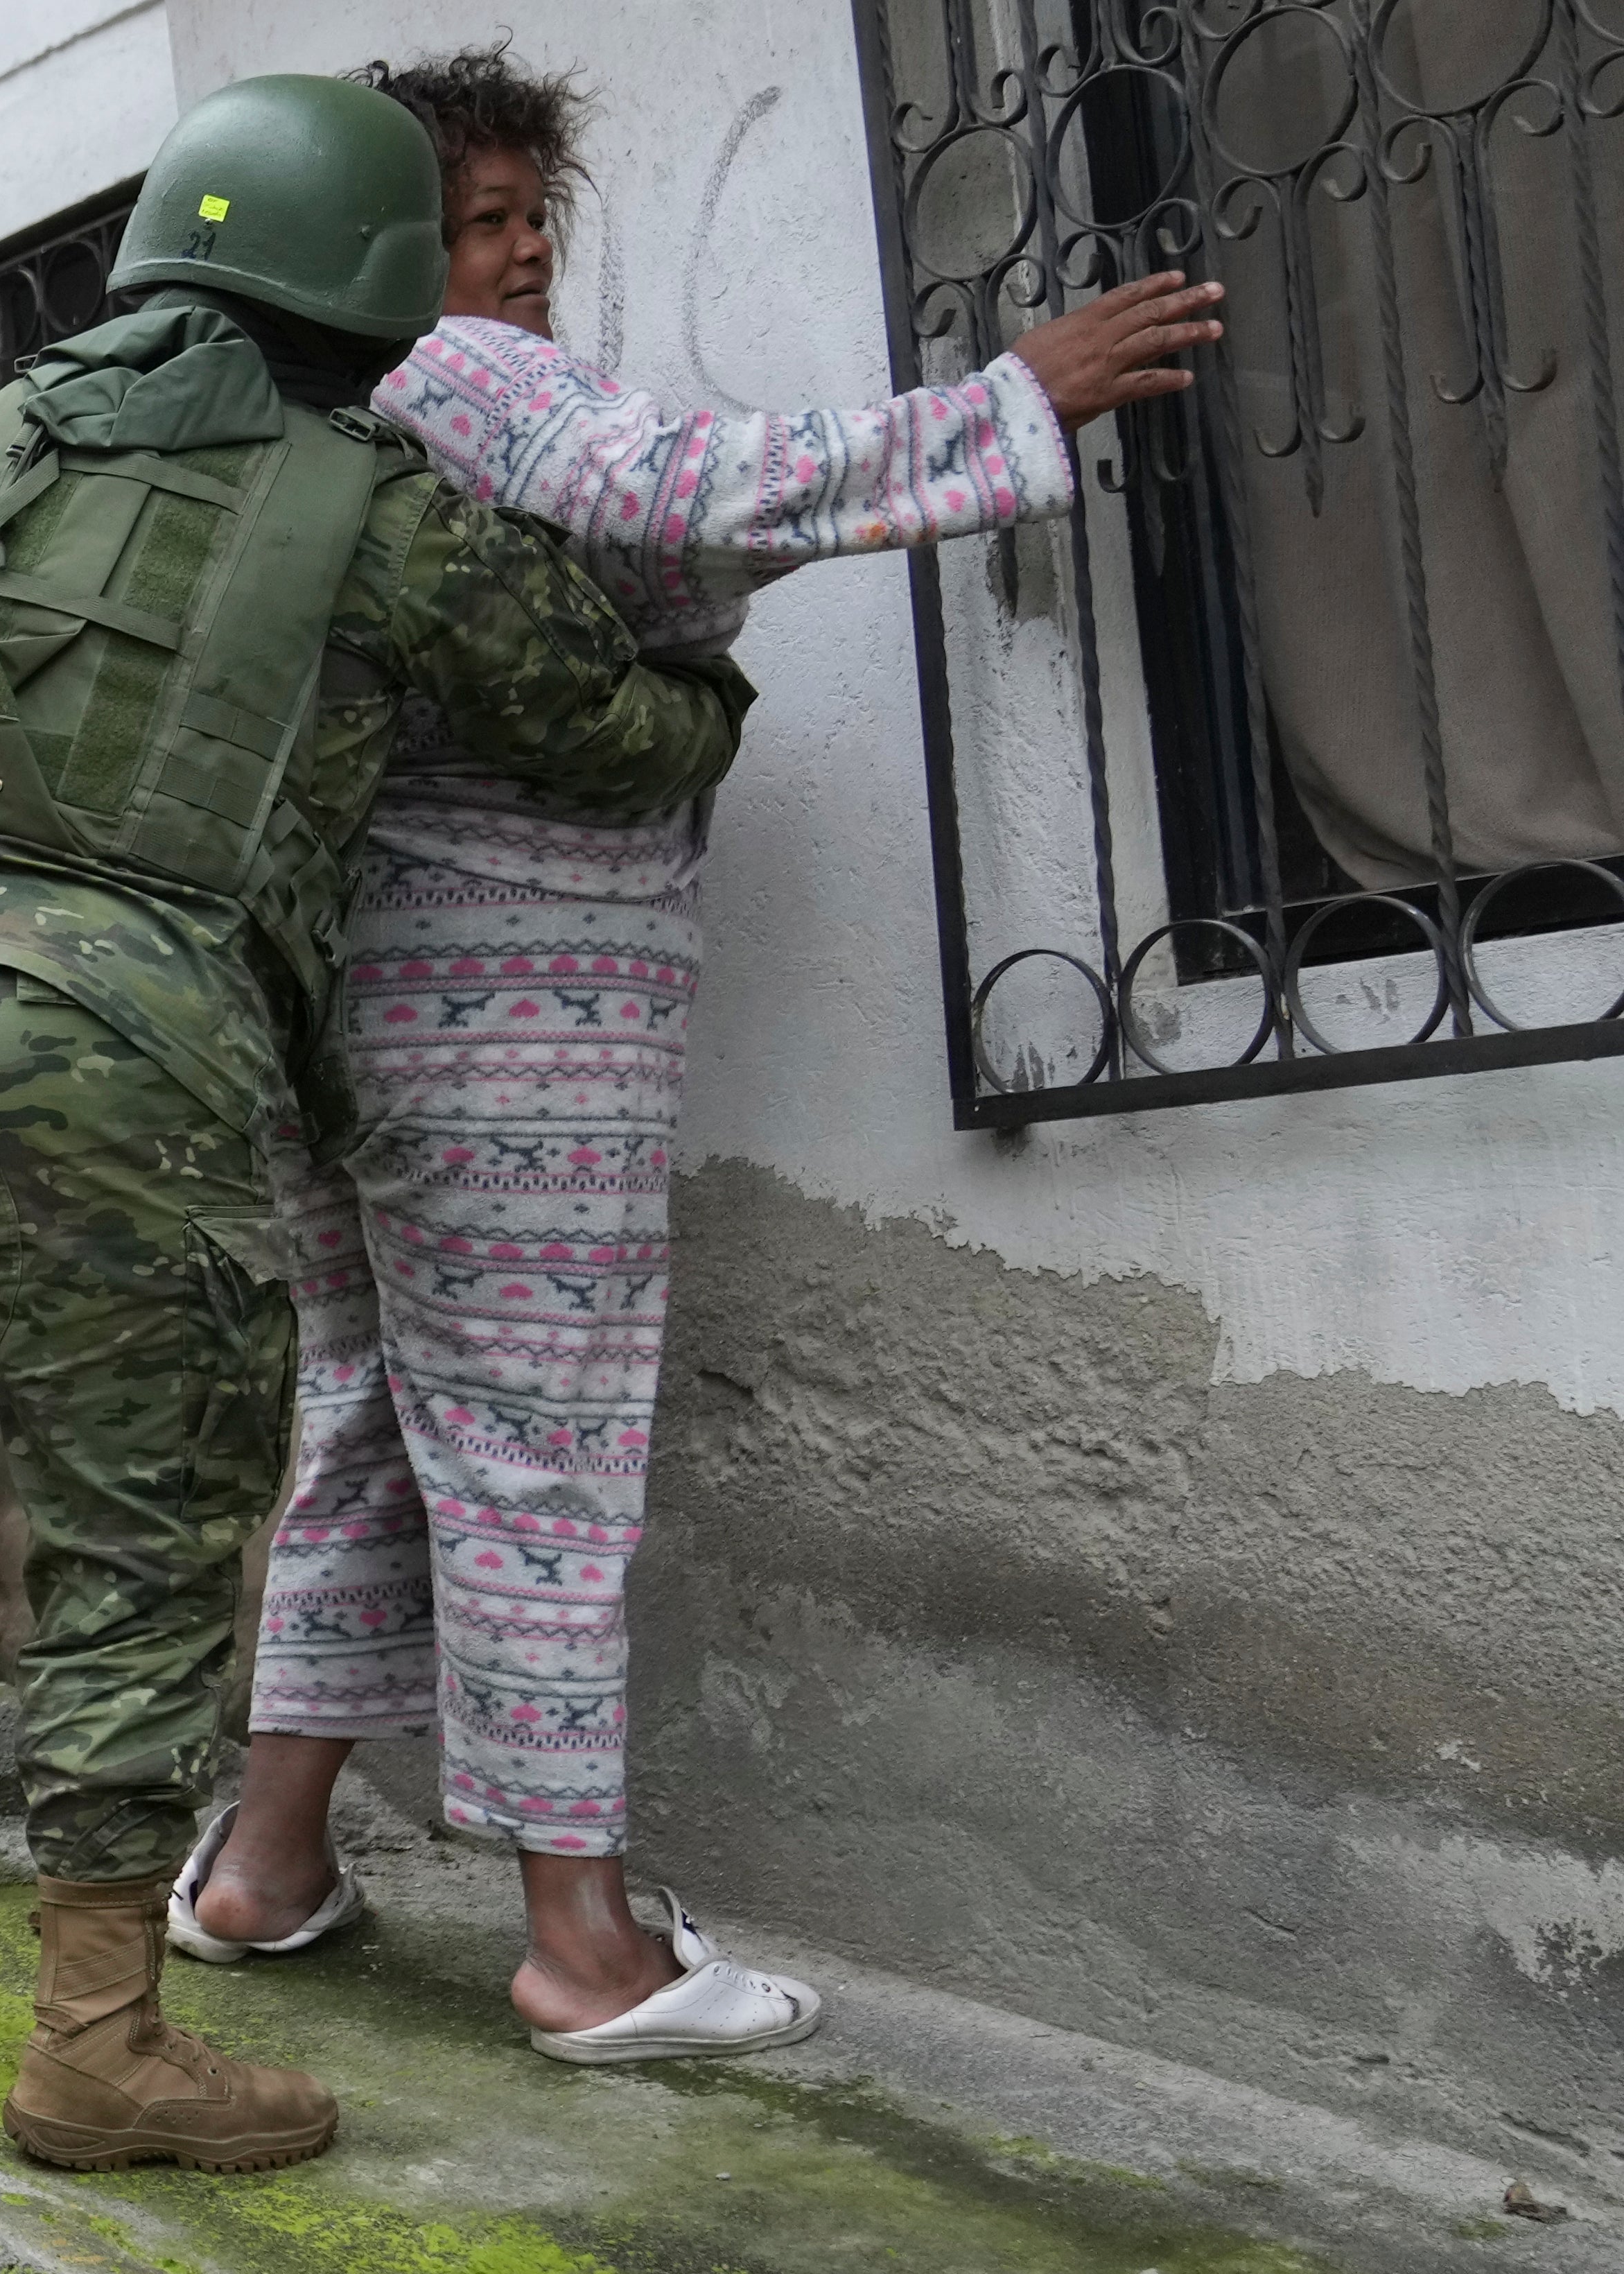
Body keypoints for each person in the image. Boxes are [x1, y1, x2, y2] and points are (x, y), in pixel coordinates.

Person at [0, 74, 752, 2175]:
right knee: (136, 1539)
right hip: (93, 1025)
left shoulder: (14, 428)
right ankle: (96, 2046)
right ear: (381, 280)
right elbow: (597, 725)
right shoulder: (379, 500)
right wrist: (704, 690)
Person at [177, 45, 1225, 2065]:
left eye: (530, 216)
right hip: (508, 1018)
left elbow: (632, 556)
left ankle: (262, 1863)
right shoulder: (455, 373)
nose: (518, 254)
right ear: (381, 244)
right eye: (475, 221)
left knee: (369, 1427)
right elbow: (680, 491)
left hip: (327, 1003)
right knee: (538, 1454)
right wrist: (1009, 400)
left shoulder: (299, 414)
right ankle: (578, 1944)